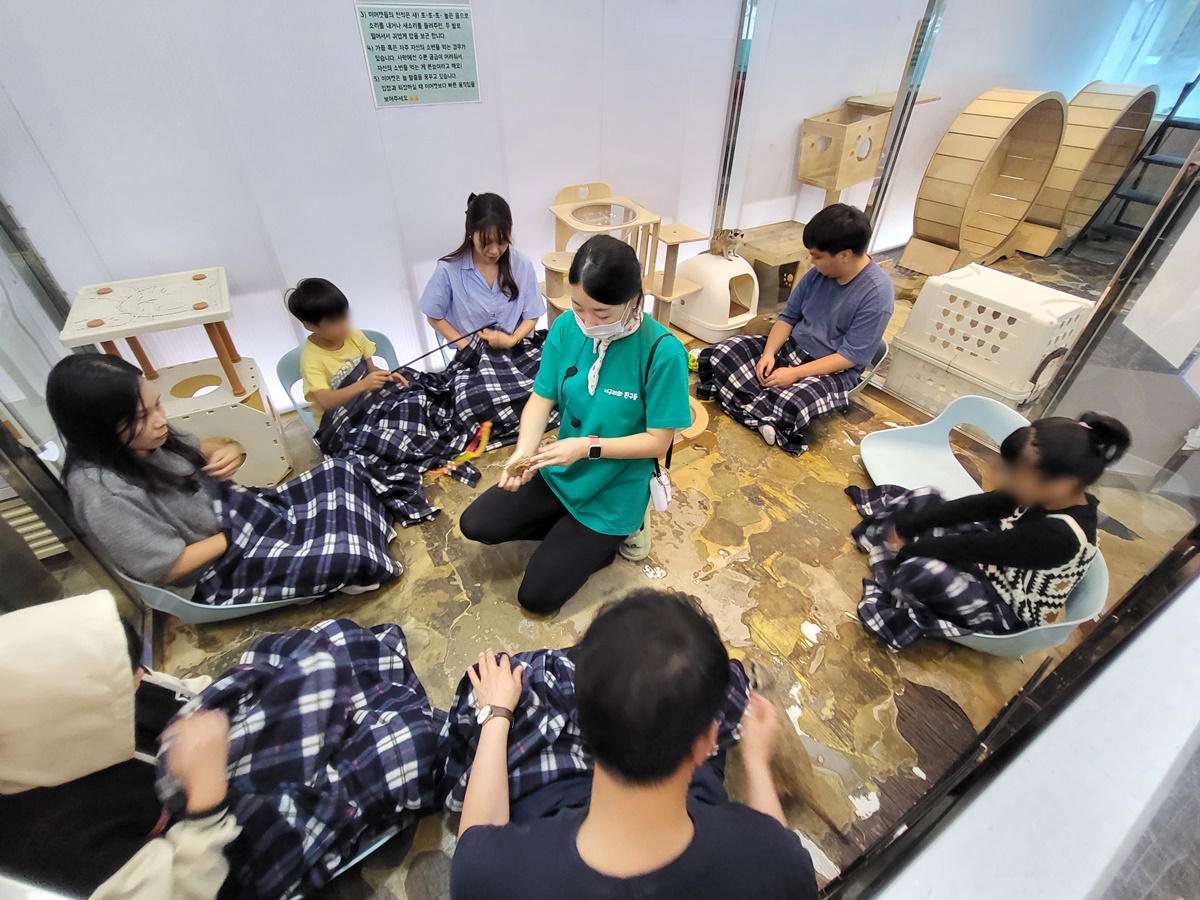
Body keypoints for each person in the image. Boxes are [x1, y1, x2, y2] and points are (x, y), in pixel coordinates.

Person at [449, 589, 818, 900]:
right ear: (708, 742)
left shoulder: (492, 876)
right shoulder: (777, 865)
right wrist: (756, 762)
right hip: (695, 799)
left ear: (580, 718)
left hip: (559, 804)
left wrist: (497, 713)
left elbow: (476, 840)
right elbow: (773, 844)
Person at [47, 354, 401, 605]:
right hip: (215, 567)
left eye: (157, 405)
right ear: (97, 428)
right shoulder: (102, 493)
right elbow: (166, 569)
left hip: (232, 513)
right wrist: (239, 533)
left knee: (343, 469)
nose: (159, 420)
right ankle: (348, 560)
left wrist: (225, 450)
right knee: (347, 555)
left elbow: (199, 447)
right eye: (141, 416)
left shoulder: (147, 435)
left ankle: (350, 537)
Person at [458, 235, 691, 614]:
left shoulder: (662, 352)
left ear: (635, 300)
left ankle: (610, 538)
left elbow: (658, 441)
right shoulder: (567, 327)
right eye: (579, 307)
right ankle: (572, 535)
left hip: (614, 492)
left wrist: (587, 447)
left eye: (601, 313)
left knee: (536, 598)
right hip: (563, 470)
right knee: (476, 524)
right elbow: (541, 397)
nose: (588, 322)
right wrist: (523, 453)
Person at [0, 590, 236, 900]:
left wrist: (219, 698)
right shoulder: (55, 846)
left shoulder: (88, 686)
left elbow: (175, 691)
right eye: (131, 676)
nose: (142, 676)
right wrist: (206, 802)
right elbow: (183, 890)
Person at [848, 411, 1132, 649]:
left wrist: (908, 550)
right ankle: (888, 552)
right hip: (995, 560)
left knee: (922, 571)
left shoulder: (1060, 537)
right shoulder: (1039, 493)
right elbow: (973, 507)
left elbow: (975, 548)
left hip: (1006, 607)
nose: (1006, 479)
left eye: (1016, 473)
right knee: (926, 498)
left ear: (1059, 484)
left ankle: (893, 569)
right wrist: (908, 527)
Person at [697, 203, 894, 454]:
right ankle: (764, 416)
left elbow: (849, 357)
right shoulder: (818, 274)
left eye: (818, 256)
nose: (812, 262)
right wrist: (769, 354)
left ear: (845, 255)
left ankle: (749, 403)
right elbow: (788, 317)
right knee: (722, 351)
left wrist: (795, 374)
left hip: (830, 370)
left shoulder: (877, 295)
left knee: (795, 402)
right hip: (792, 348)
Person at [420, 192, 545, 351]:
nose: (494, 251)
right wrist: (467, 348)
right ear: (471, 233)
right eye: (486, 242)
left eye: (502, 242)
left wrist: (512, 340)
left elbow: (532, 314)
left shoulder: (522, 264)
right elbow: (434, 316)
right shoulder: (448, 270)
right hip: (472, 354)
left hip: (516, 348)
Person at [287, 276, 406, 428]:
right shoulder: (311, 359)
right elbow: (325, 401)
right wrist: (363, 385)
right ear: (309, 326)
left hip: (366, 400)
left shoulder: (353, 336)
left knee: (414, 395)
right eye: (334, 322)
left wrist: (386, 375)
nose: (344, 325)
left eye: (344, 316)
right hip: (338, 417)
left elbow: (371, 368)